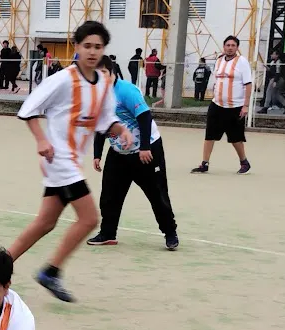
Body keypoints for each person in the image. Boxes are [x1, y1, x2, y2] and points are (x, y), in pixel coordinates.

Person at [7, 20, 132, 303]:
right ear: (76, 47)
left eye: (98, 47)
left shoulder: (102, 84)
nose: (92, 51)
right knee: (90, 219)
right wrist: (41, 139)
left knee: (45, 222)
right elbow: (28, 109)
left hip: (72, 162)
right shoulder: (62, 79)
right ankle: (51, 271)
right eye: (87, 45)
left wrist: (121, 130)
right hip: (59, 160)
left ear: (104, 50)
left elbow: (105, 121)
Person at [87, 56, 178, 250]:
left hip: (146, 150)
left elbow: (145, 117)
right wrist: (97, 154)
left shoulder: (126, 91)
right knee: (109, 195)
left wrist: (144, 147)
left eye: (104, 72)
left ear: (112, 72)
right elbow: (102, 125)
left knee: (157, 194)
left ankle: (170, 233)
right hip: (118, 153)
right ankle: (108, 233)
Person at [191, 35, 253, 175]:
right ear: (224, 47)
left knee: (235, 137)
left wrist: (246, 105)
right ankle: (204, 163)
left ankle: (244, 162)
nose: (230, 48)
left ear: (237, 48)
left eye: (233, 45)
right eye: (227, 45)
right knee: (210, 134)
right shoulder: (219, 61)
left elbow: (248, 84)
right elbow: (216, 80)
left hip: (235, 106)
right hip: (217, 104)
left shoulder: (242, 62)